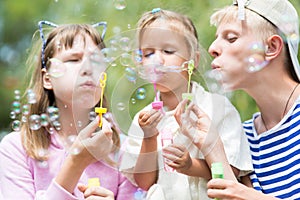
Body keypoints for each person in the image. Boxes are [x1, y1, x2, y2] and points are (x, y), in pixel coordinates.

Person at [120, 8, 253, 200]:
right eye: (148, 53)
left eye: (168, 50)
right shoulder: (144, 119)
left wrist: (191, 166)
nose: (157, 59)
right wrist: (149, 137)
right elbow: (144, 182)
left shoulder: (217, 107)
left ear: (194, 60)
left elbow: (231, 168)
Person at [0, 21, 138, 199]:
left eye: (96, 61)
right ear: (47, 79)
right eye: (74, 59)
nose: (88, 68)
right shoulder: (17, 148)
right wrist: (76, 162)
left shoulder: (123, 150)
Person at [191, 0, 299, 199]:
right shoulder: (244, 135)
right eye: (216, 39)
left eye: (231, 38)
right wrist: (211, 145)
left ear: (271, 47)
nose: (212, 48)